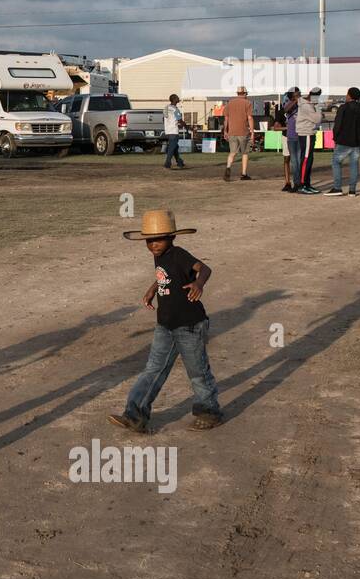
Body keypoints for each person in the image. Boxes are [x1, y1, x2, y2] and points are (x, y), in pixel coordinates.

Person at [108, 210, 223, 433]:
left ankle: (210, 412)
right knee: (153, 369)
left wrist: (199, 284)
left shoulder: (179, 254)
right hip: (166, 324)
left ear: (172, 238)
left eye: (158, 239)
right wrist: (152, 290)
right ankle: (135, 415)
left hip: (190, 325)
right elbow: (163, 275)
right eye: (149, 241)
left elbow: (205, 269)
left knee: (198, 372)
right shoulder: (158, 255)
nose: (153, 245)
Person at [326, 87, 360, 196]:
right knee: (354, 164)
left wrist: (335, 137)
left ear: (349, 95)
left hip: (343, 140)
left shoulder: (343, 108)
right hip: (357, 141)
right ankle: (352, 190)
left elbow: (338, 124)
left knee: (336, 162)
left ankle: (337, 187)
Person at [295, 86, 323, 194]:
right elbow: (317, 119)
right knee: (306, 159)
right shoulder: (306, 106)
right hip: (306, 134)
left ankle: (307, 183)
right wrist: (319, 108)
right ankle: (302, 185)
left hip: (309, 133)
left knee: (309, 159)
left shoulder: (308, 105)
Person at [223, 85, 254, 181]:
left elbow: (226, 118)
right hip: (243, 131)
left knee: (232, 153)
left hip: (232, 131)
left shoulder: (230, 103)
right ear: (245, 94)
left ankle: (228, 167)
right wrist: (252, 131)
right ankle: (243, 174)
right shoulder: (247, 103)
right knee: (244, 153)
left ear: (237, 94)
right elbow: (249, 117)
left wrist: (225, 130)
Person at [281, 87, 301, 192]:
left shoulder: (302, 103)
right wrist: (295, 100)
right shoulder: (288, 104)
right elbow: (286, 109)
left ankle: (300, 182)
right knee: (292, 160)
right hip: (290, 135)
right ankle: (292, 183)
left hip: (301, 135)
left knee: (299, 160)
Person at [163, 94, 186, 170]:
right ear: (174, 99)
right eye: (177, 97)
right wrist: (185, 125)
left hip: (167, 131)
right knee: (171, 148)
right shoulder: (176, 109)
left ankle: (179, 162)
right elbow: (179, 120)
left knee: (175, 147)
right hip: (174, 131)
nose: (178, 98)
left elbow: (164, 119)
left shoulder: (166, 108)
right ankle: (167, 163)